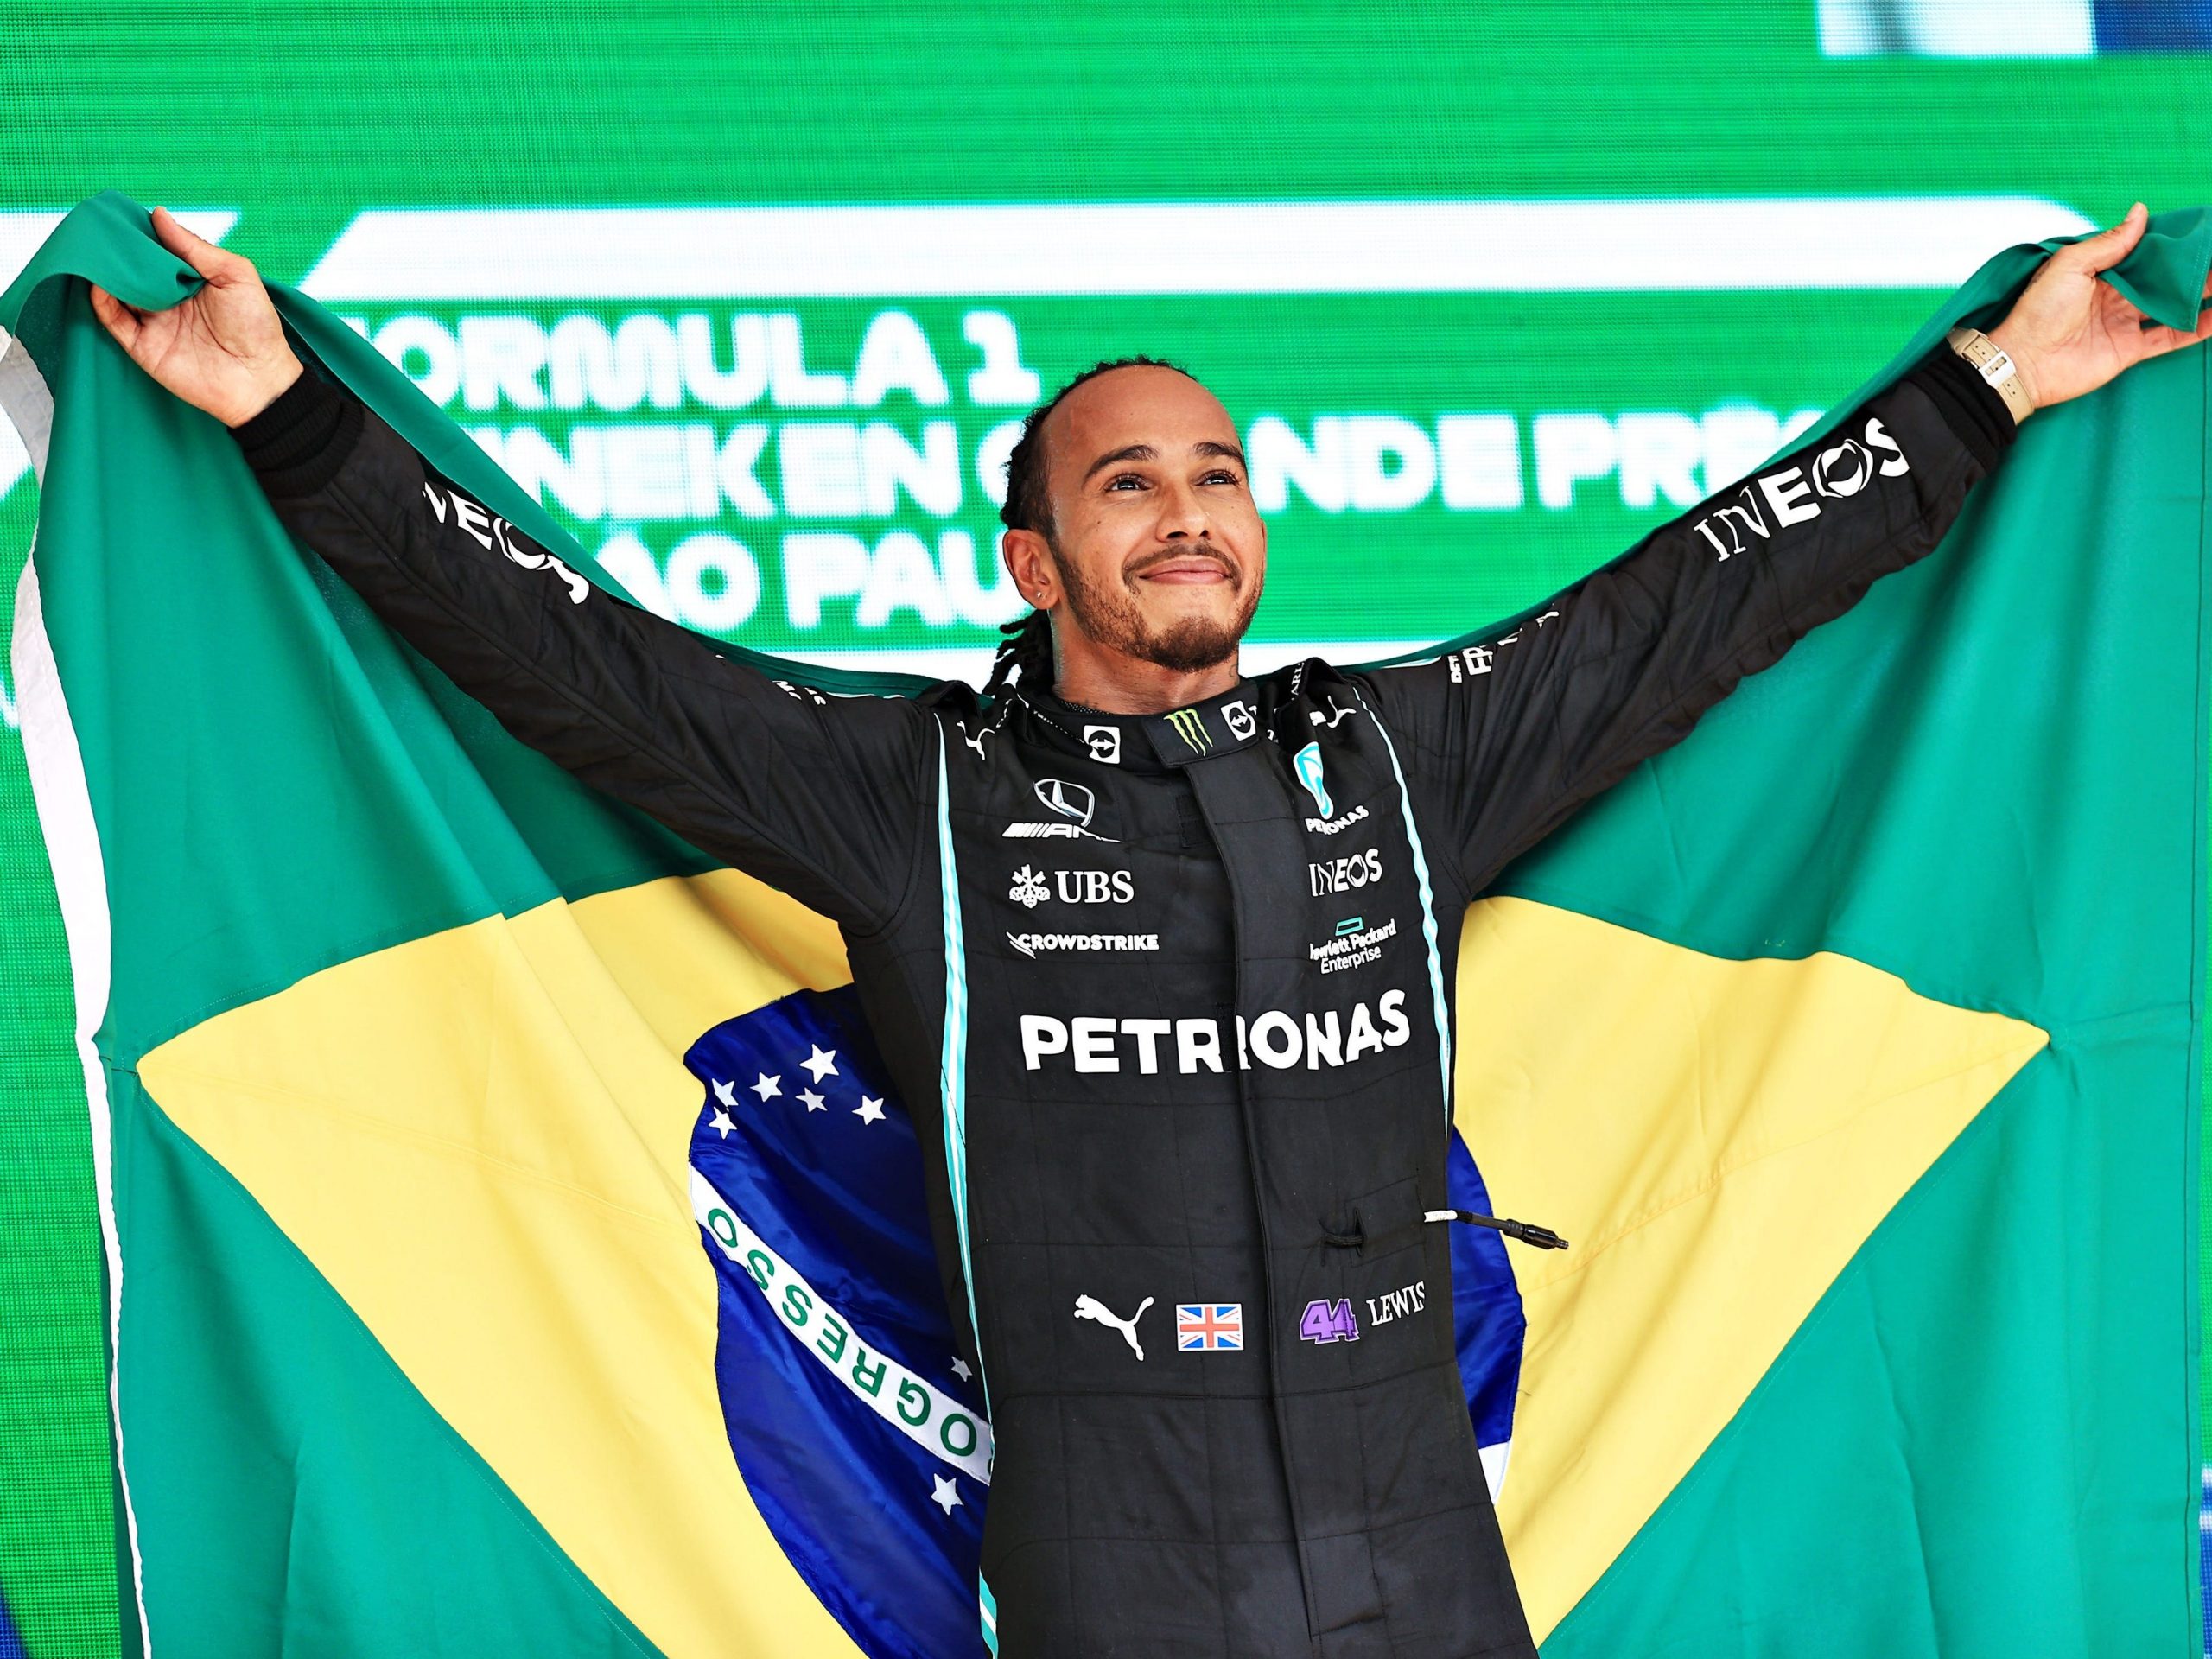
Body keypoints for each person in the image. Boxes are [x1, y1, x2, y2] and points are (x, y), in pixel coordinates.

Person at [94, 202, 2211, 1658]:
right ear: (1026, 551)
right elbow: (564, 651)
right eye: (1124, 481)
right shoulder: (903, 792)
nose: (1188, 505)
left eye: (1215, 470)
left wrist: (1989, 388)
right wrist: (286, 413)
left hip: (1423, 1573)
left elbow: (1705, 598)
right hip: (1110, 1578)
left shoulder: (1400, 752)